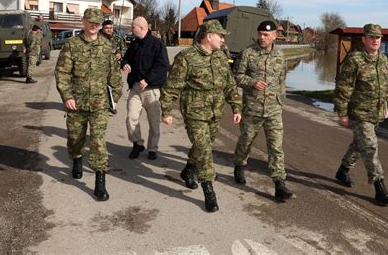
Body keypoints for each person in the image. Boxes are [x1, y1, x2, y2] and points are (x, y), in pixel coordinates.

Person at [160, 20, 242, 213]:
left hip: (215, 111)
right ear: (208, 36)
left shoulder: (221, 57)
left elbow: (229, 84)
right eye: (220, 36)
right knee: (204, 149)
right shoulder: (187, 57)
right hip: (194, 111)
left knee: (202, 146)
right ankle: (209, 190)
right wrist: (166, 110)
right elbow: (172, 85)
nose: (223, 39)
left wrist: (236, 107)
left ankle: (189, 169)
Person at [55, 8, 122, 201]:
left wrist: (114, 97)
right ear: (83, 21)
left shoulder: (107, 46)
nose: (94, 26)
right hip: (76, 102)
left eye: (98, 23)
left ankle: (100, 182)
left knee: (98, 142)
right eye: (91, 22)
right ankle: (76, 158)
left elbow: (114, 75)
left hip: (100, 103)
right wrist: (67, 95)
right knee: (76, 138)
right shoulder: (72, 45)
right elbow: (62, 73)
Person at [233, 20, 296, 202]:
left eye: (266, 35)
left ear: (275, 35)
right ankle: (239, 165)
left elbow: (282, 80)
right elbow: (237, 77)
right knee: (246, 141)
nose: (262, 37)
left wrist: (280, 101)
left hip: (273, 110)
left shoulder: (280, 55)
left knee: (276, 148)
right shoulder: (248, 53)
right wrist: (252, 82)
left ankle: (279, 184)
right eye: (260, 34)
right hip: (252, 108)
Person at [333, 23, 388, 206]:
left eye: (378, 37)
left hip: (376, 113)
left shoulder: (383, 60)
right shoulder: (355, 60)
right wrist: (342, 113)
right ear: (364, 39)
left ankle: (343, 170)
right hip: (359, 113)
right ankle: (379, 186)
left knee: (360, 144)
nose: (375, 40)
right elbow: (344, 88)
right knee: (370, 146)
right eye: (371, 37)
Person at [121, 16, 169, 160]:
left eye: (133, 27)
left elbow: (162, 66)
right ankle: (137, 143)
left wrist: (148, 79)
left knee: (154, 123)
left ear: (141, 28)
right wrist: (124, 64)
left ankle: (152, 148)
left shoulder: (157, 44)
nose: (131, 29)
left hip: (152, 90)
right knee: (131, 118)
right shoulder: (134, 44)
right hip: (135, 88)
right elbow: (125, 58)